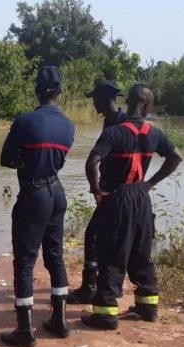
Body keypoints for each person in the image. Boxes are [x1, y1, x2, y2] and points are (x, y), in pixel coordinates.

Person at [80, 84, 182, 330]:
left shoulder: (114, 132)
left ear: (129, 103)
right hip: (141, 196)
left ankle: (105, 314)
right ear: (147, 106)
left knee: (112, 253)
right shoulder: (154, 133)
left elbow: (92, 162)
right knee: (141, 252)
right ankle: (148, 306)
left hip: (118, 197)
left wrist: (97, 191)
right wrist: (150, 183)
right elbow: (176, 157)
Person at [0, 65, 75, 347]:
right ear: (60, 91)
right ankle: (60, 320)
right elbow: (60, 160)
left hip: (34, 194)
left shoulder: (25, 120)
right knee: (55, 256)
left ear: (36, 90)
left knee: (25, 262)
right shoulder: (69, 124)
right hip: (57, 191)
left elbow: (6, 159)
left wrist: (26, 161)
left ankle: (24, 329)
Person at [67, 79, 126, 304]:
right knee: (106, 239)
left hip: (114, 191)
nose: (93, 103)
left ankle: (90, 287)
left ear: (104, 98)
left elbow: (93, 162)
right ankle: (109, 286)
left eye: (95, 98)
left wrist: (97, 191)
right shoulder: (111, 121)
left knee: (94, 236)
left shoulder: (120, 122)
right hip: (111, 188)